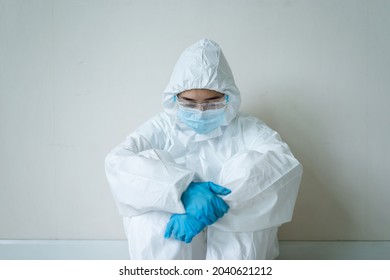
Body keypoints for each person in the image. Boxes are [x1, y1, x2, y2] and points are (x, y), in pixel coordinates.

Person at [105, 39, 303, 260]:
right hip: (180, 232)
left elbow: (283, 166)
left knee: (249, 165)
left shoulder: (247, 128)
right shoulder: (162, 127)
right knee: (151, 164)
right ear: (175, 97)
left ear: (228, 97)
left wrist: (217, 206)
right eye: (189, 102)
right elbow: (118, 163)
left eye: (212, 102)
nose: (200, 111)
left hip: (232, 233)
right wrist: (182, 190)